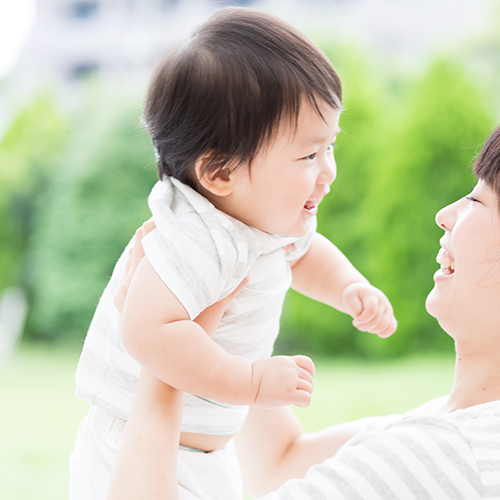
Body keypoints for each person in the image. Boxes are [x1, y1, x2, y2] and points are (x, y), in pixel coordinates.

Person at [106, 101, 500, 500]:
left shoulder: (445, 460)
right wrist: (229, 291)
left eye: (479, 202)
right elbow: (279, 464)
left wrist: (158, 348)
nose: (446, 214)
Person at [69, 8, 397, 500]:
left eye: (330, 146)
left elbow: (305, 254)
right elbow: (148, 330)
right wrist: (251, 382)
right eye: (308, 154)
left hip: (205, 449)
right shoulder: (195, 237)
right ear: (219, 172)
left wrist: (351, 287)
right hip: (134, 450)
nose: (328, 171)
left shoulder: (264, 217)